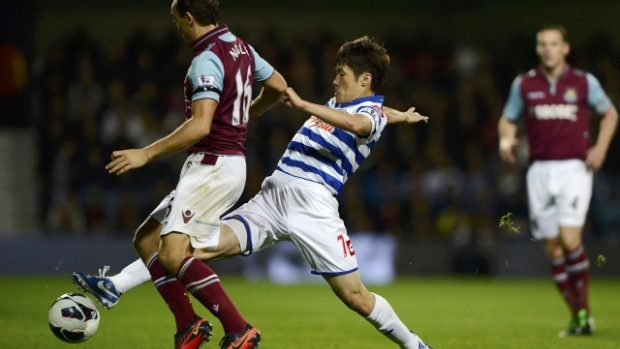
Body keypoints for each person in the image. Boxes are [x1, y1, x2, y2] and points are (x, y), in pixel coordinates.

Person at [75, 35, 431, 348]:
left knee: (356, 297)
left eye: (342, 74)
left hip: (313, 205)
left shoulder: (366, 113)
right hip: (272, 196)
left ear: (365, 79)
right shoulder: (346, 104)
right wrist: (404, 115)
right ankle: (115, 285)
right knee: (187, 249)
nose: (335, 79)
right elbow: (372, 111)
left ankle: (412, 344)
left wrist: (305, 105)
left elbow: (360, 121)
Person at [74, 0, 287, 348]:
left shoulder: (206, 58)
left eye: (176, 20)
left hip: (212, 165)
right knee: (147, 239)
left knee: (174, 254)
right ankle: (187, 325)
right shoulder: (241, 46)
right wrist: (245, 113)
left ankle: (239, 329)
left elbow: (200, 125)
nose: (176, 27)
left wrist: (146, 153)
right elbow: (279, 85)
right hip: (226, 163)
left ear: (188, 18)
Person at [498, 24, 618, 336]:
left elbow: (610, 114)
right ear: (538, 49)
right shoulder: (524, 84)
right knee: (553, 250)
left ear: (565, 48)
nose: (548, 48)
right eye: (543, 44)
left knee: (570, 239)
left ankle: (584, 314)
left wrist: (601, 147)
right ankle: (578, 315)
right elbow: (507, 120)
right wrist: (505, 140)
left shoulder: (582, 82)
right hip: (539, 172)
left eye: (554, 43)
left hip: (574, 169)